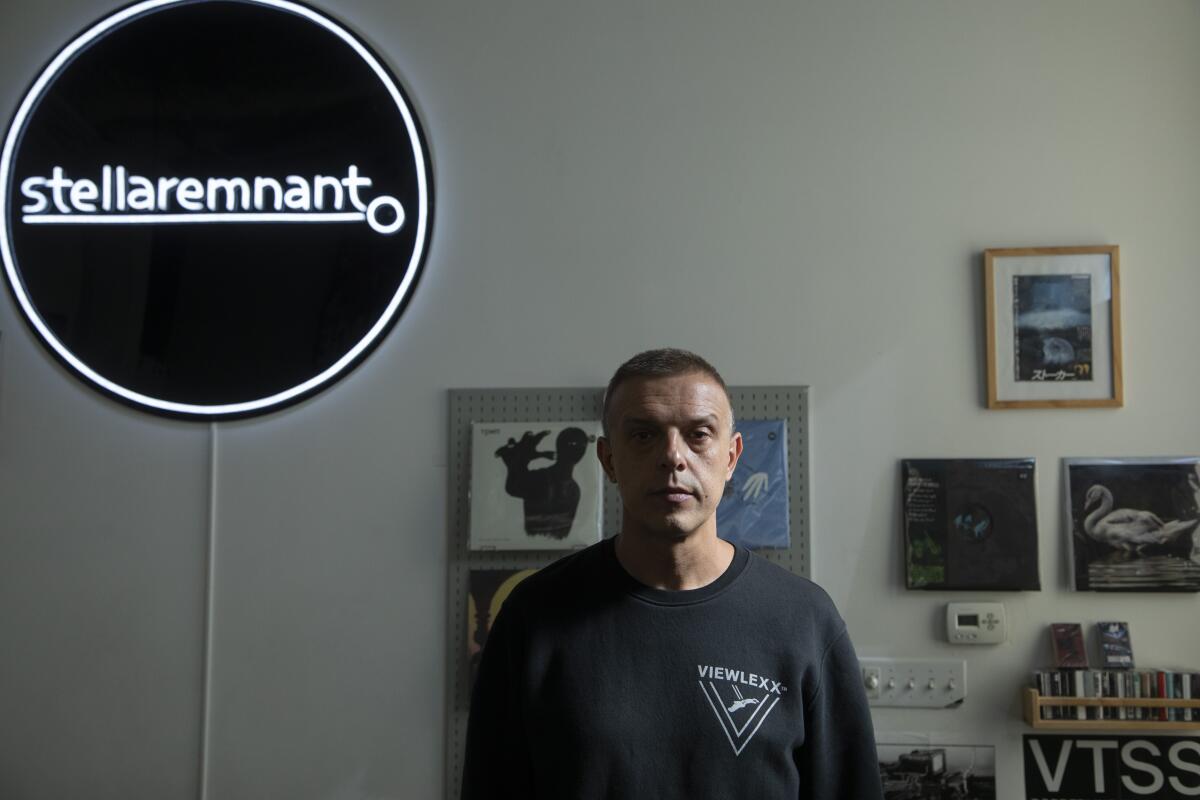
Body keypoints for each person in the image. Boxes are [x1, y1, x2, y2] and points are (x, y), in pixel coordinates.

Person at [461, 348, 883, 799]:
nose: (673, 457)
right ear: (608, 460)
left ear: (731, 457)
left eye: (699, 434)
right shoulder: (532, 616)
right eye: (644, 435)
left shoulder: (805, 619)